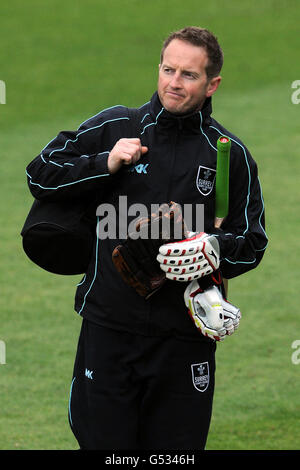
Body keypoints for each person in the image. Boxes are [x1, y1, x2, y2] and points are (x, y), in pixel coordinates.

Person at [26, 27, 268, 450]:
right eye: (168, 69)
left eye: (188, 75)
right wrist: (106, 162)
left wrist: (214, 249)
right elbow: (40, 172)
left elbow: (251, 241)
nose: (174, 82)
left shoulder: (229, 155)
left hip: (183, 339)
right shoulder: (117, 126)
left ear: (213, 84)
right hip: (109, 330)